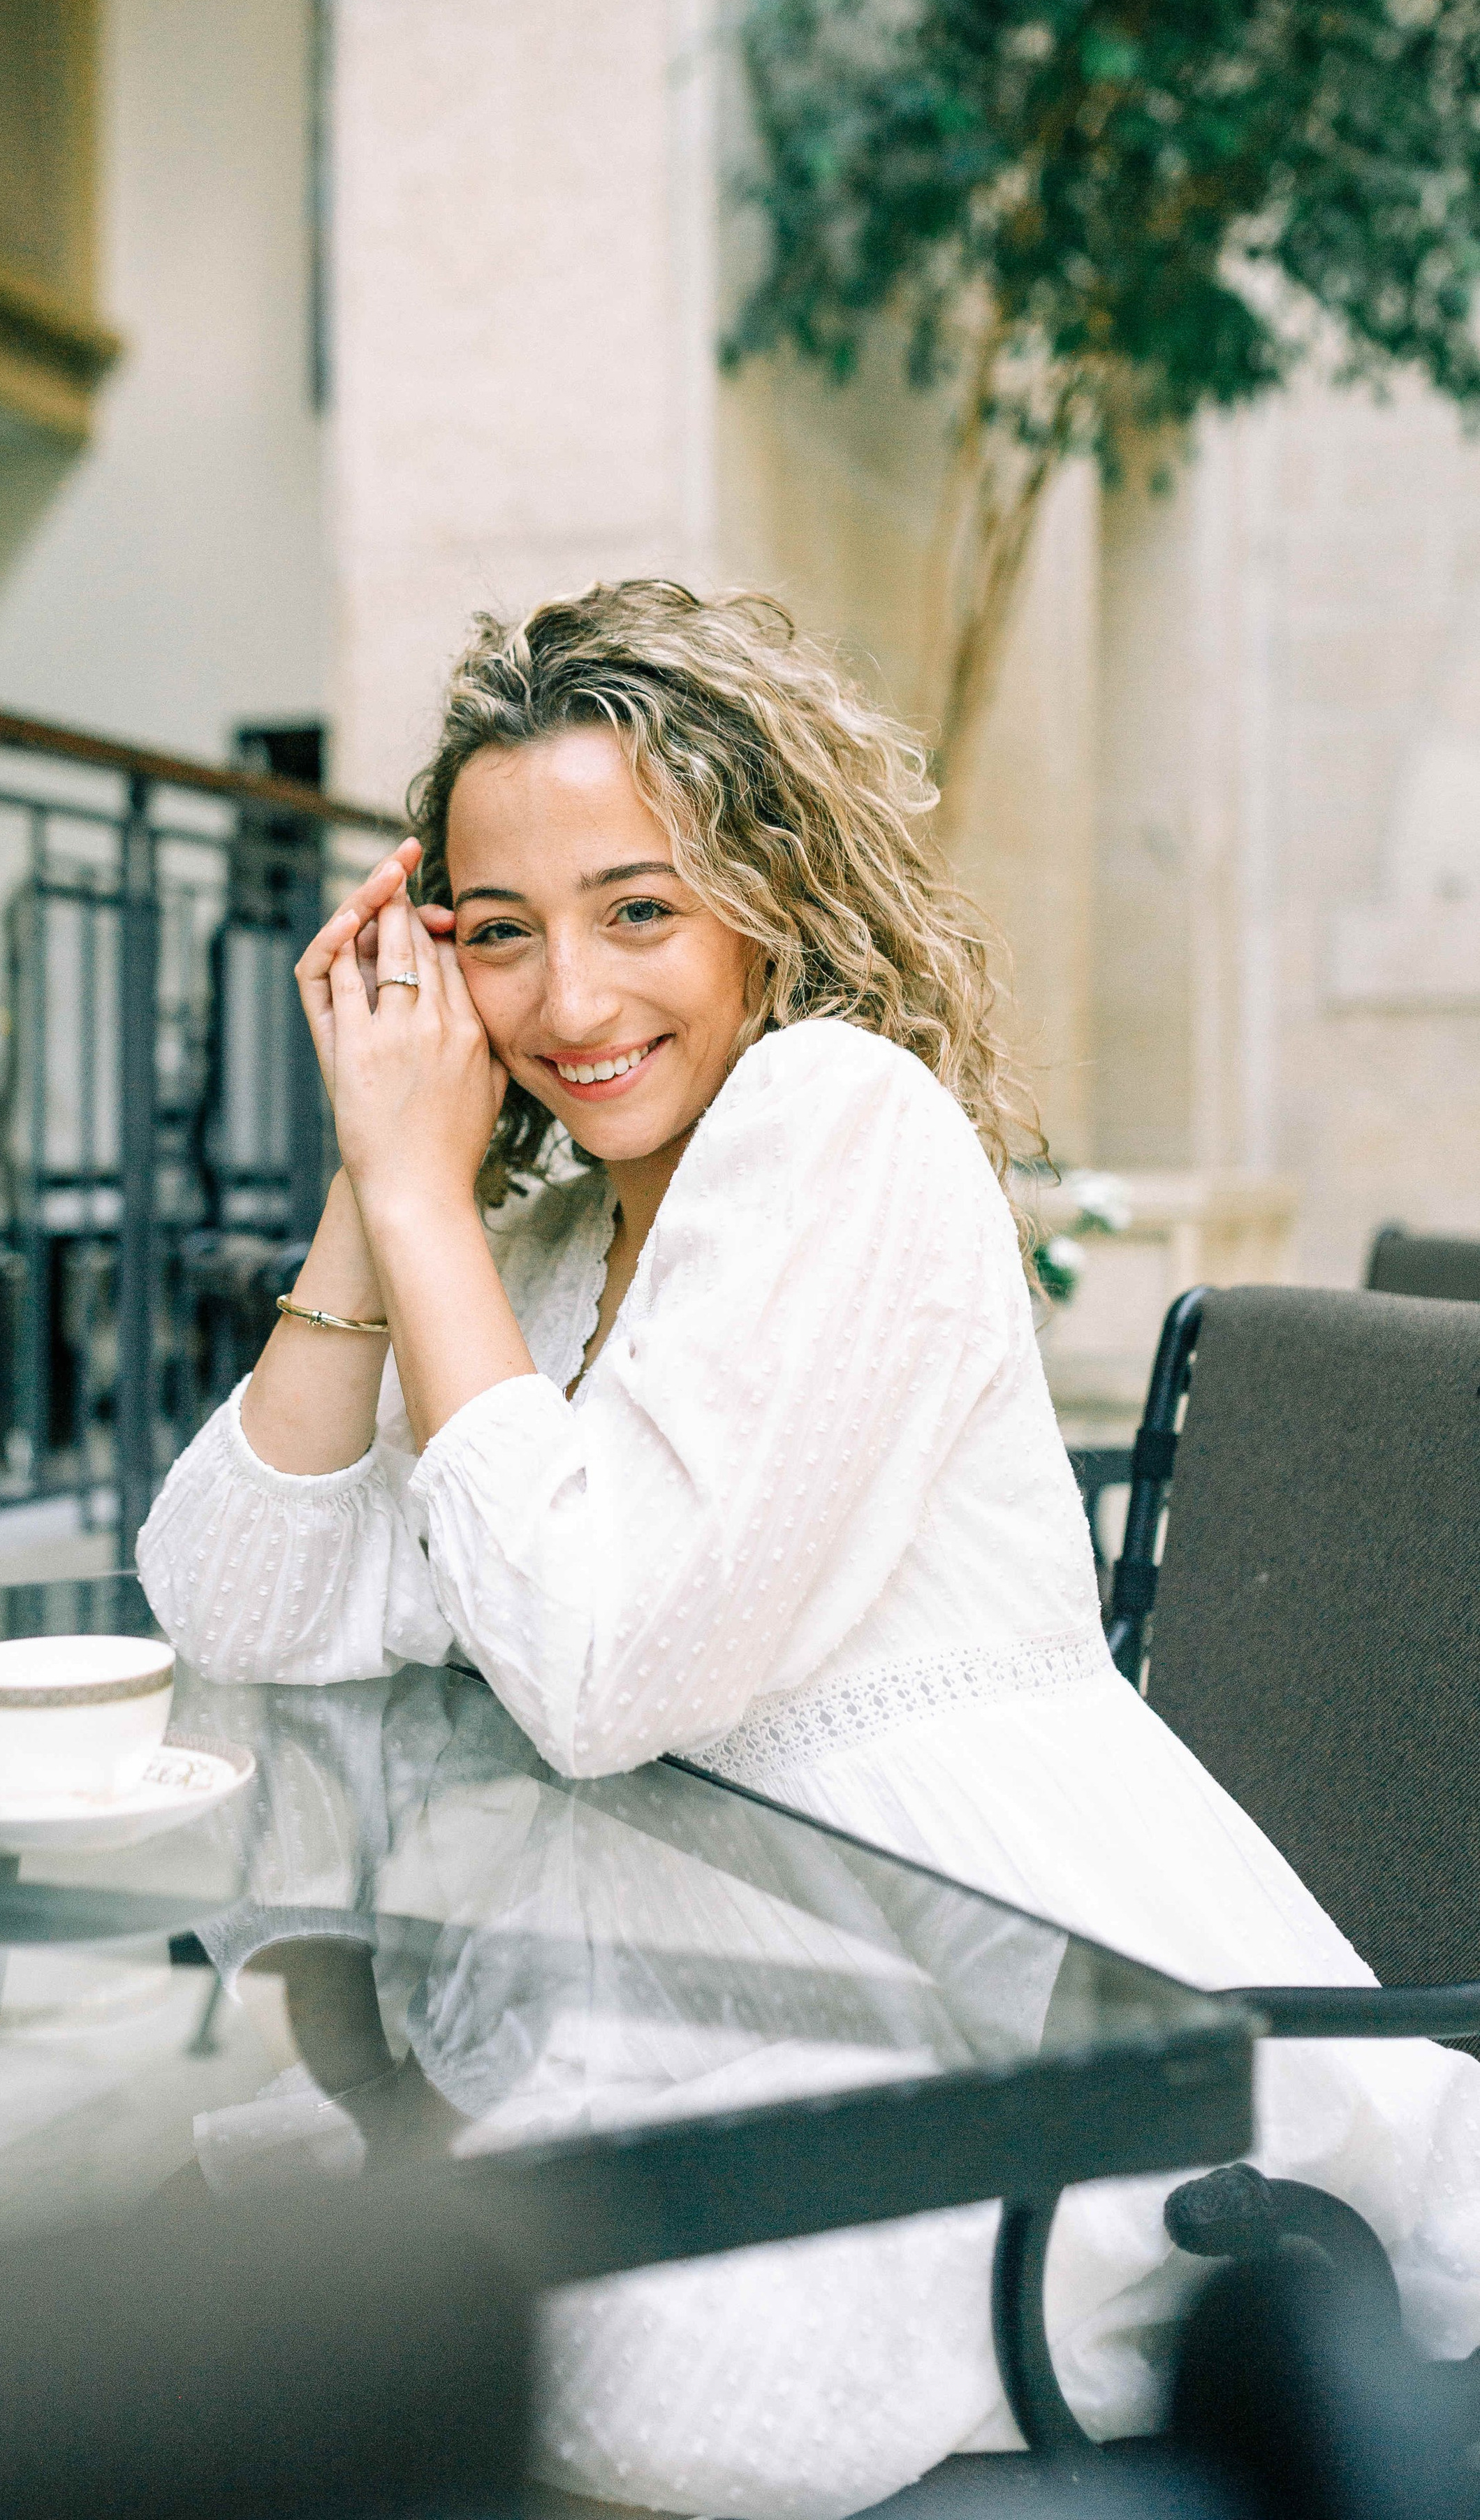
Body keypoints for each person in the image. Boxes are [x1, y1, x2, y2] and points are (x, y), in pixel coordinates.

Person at [139, 581, 1480, 2514]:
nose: (573, 1004)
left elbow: (599, 1674)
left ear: (771, 900)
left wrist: (427, 1208)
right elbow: (234, 1609)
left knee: (490, 2348)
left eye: (641, 910)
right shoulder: (524, 1258)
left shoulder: (851, 1130)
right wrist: (381, 1189)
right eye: (499, 937)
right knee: (318, 2279)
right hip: (713, 1981)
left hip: (1014, 2020)